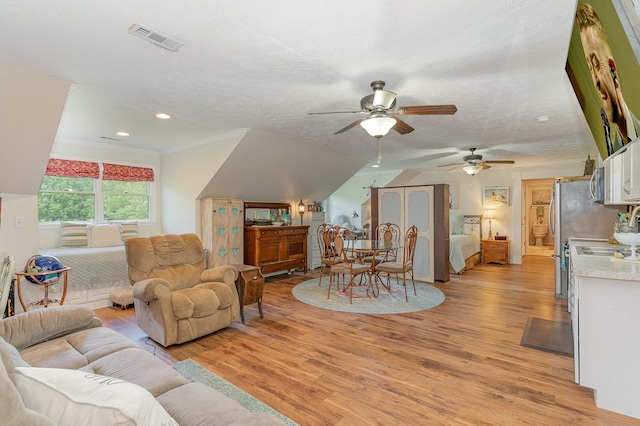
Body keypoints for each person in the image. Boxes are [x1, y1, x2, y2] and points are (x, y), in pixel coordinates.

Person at [575, 2, 640, 152]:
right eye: (590, 68)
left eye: (596, 64)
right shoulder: (612, 152)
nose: (595, 81)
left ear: (612, 69)